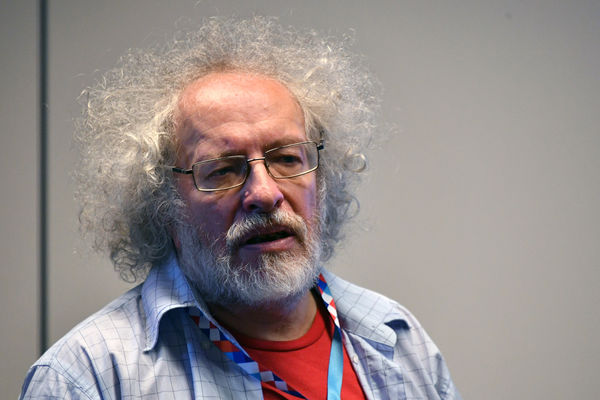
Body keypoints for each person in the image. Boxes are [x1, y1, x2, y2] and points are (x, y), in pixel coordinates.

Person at [21, 17, 461, 400]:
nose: (265, 194)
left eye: (287, 158)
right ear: (164, 206)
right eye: (224, 170)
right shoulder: (87, 378)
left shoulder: (398, 338)